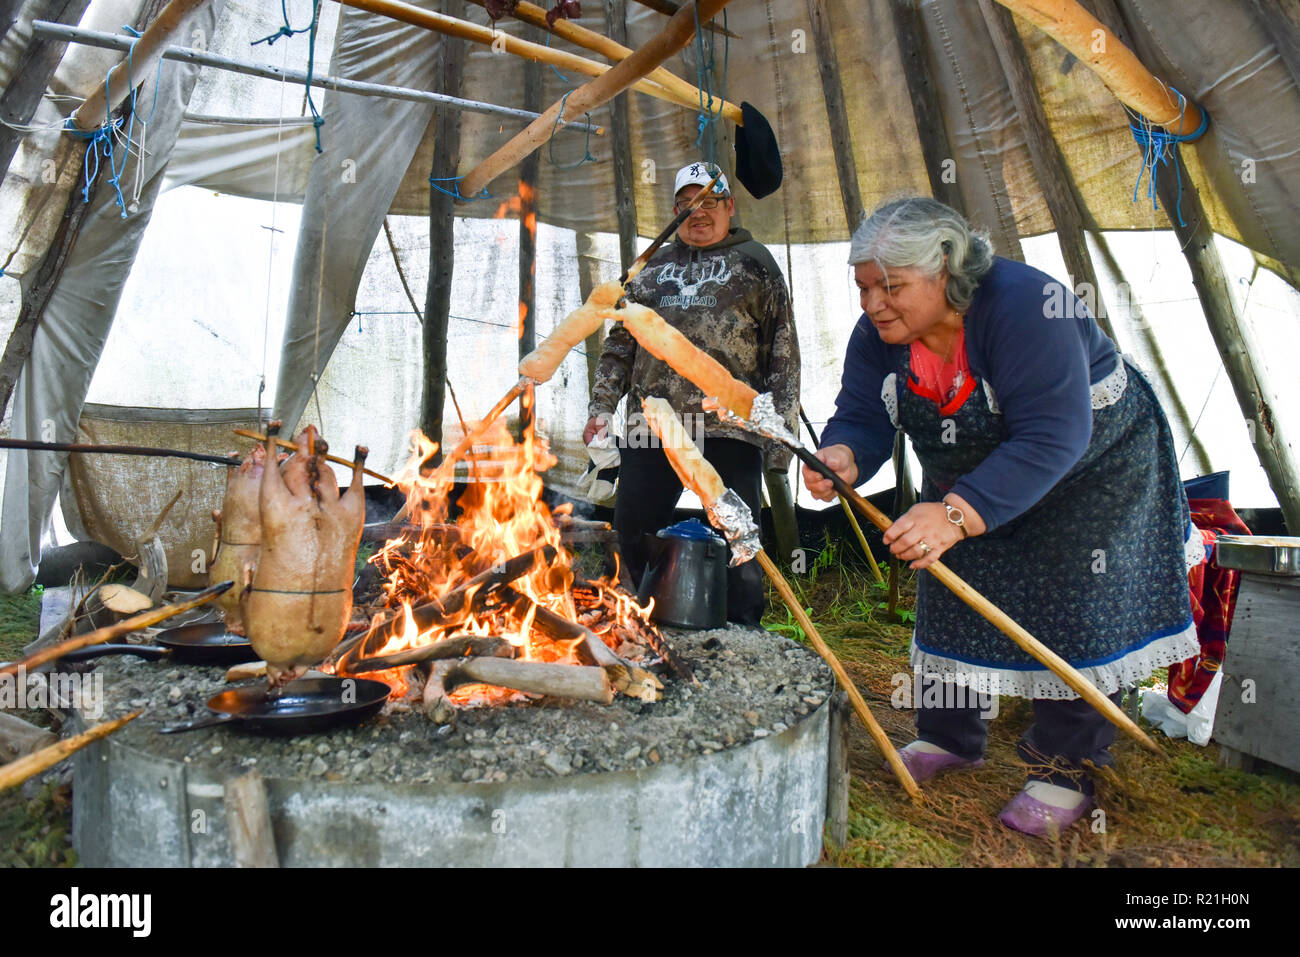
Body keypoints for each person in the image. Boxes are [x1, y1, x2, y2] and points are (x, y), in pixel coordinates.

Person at [804, 196, 1200, 836]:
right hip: (976, 467)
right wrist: (845, 454)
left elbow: (1051, 435)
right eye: (865, 287)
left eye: (892, 287)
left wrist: (957, 514)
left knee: (1074, 604)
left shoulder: (1026, 306)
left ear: (945, 271)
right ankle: (949, 736)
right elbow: (862, 411)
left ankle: (1064, 769)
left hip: (1090, 468)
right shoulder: (882, 334)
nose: (873, 303)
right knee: (952, 590)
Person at [585, 162, 800, 624]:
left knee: (736, 540)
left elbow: (783, 355)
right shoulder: (649, 269)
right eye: (685, 205)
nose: (697, 214)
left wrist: (780, 442)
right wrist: (601, 406)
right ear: (674, 212)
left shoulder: (756, 264)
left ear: (729, 206)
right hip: (651, 426)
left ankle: (742, 631)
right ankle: (624, 623)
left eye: (708, 203)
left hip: (729, 426)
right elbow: (619, 346)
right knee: (631, 539)